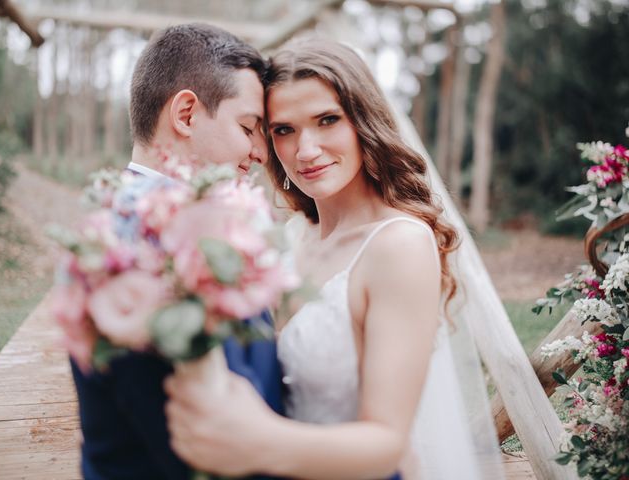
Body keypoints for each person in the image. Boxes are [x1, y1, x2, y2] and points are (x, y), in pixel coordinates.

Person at [165, 39, 505, 479]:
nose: (306, 150)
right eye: (284, 130)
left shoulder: (397, 246)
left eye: (327, 120)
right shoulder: (289, 237)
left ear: (363, 122)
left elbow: (387, 443)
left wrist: (254, 441)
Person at [70, 23, 283, 480]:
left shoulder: (159, 221)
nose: (261, 153)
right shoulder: (137, 245)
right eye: (249, 127)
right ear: (186, 113)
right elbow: (205, 450)